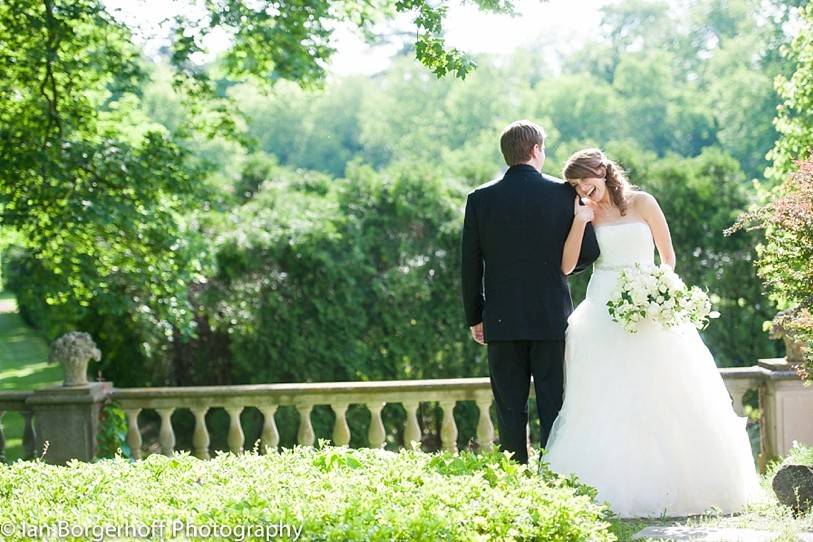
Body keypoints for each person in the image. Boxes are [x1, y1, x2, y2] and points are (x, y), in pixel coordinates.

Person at [543, 147, 761, 517]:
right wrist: (579, 221)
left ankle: (686, 488)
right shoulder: (583, 213)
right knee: (609, 396)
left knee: (666, 390)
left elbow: (668, 255)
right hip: (604, 312)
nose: (583, 188)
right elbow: (565, 266)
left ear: (602, 170)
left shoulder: (642, 203)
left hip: (651, 305)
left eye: (586, 180)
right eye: (576, 185)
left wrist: (658, 289)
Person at [460, 120, 599, 464]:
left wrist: (476, 316)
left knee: (509, 407)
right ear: (536, 150)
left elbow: (469, 265)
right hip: (551, 317)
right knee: (553, 403)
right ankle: (554, 472)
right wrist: (560, 271)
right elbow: (589, 251)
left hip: (502, 321)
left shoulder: (480, 199)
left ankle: (515, 477)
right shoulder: (565, 194)